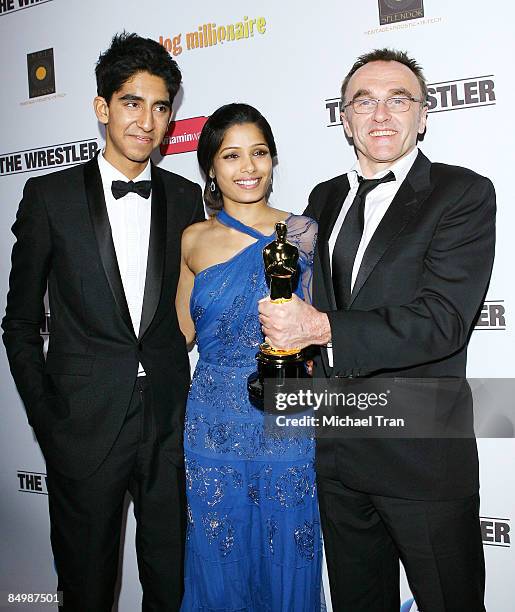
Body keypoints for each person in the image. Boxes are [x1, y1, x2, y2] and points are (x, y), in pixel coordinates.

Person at [258, 48, 496, 611]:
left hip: (421, 454)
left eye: (398, 99)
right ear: (345, 118)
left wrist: (319, 327)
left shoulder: (461, 193)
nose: (380, 114)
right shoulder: (323, 199)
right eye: (363, 101)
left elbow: (443, 320)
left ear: (423, 115)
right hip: (338, 453)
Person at [2, 32, 205, 611]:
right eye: (132, 102)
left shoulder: (187, 199)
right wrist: (47, 418)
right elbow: (19, 323)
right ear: (102, 107)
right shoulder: (49, 197)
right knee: (86, 589)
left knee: (171, 584)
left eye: (161, 106)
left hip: (168, 425)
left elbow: (191, 311)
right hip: (83, 429)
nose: (147, 120)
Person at [175, 103, 322, 611]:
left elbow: (318, 328)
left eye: (259, 153)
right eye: (231, 155)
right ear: (211, 169)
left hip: (285, 418)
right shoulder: (192, 239)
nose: (248, 167)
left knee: (290, 550)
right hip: (212, 422)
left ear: (273, 160)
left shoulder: (301, 233)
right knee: (219, 554)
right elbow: (178, 334)